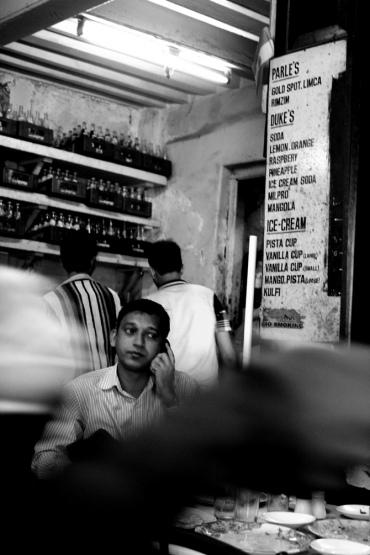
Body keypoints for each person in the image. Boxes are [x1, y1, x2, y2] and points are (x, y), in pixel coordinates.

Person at [31, 298, 199, 479]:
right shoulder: (80, 390)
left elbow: (200, 459)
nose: (139, 343)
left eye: (151, 335)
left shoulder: (185, 387)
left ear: (164, 346)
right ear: (113, 337)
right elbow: (43, 460)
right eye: (130, 331)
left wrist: (169, 398)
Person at [145, 240, 237, 388]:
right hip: (205, 399)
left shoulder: (146, 305)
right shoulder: (210, 297)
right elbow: (228, 355)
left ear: (153, 272)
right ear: (181, 269)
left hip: (164, 397)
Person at [43, 229, 121, 376]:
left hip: (71, 394)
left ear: (63, 261)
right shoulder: (112, 297)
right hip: (108, 391)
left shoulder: (50, 300)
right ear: (93, 260)